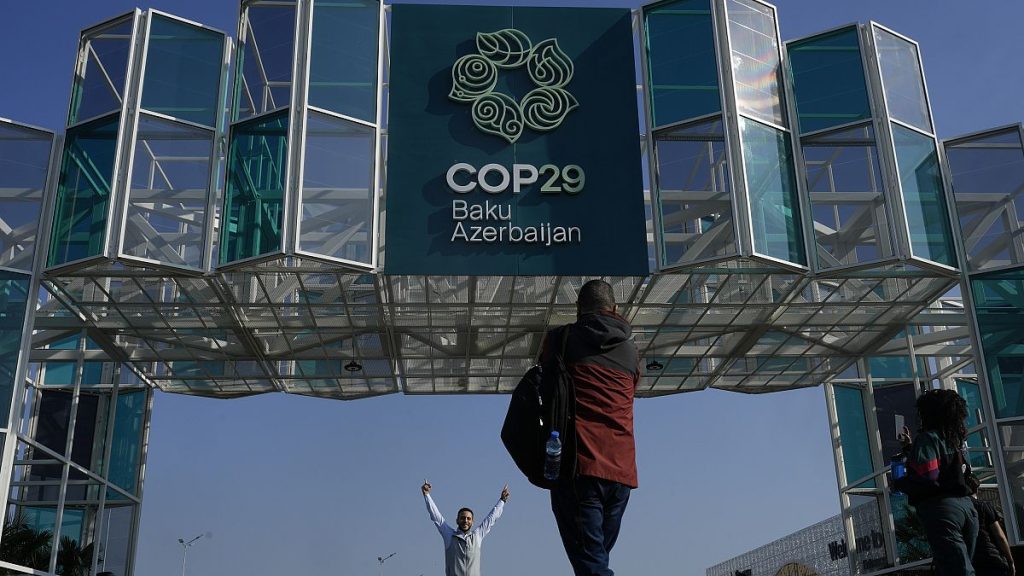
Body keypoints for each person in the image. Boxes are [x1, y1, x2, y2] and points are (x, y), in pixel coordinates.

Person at [542, 279, 639, 576]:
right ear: (616, 309)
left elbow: (544, 385)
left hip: (580, 468)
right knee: (594, 561)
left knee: (593, 566)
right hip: (622, 475)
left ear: (577, 308)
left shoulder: (561, 339)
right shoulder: (631, 351)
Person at [893, 389, 978, 576]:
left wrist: (900, 483)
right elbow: (961, 473)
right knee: (961, 567)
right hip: (967, 509)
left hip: (942, 510)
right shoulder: (954, 439)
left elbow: (928, 476)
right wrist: (909, 448)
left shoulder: (927, 439)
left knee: (956, 570)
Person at [421, 480, 509, 576]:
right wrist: (427, 495)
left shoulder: (477, 536)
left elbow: (491, 519)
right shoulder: (449, 536)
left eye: (468, 518)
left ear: (472, 521)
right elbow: (436, 516)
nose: (465, 521)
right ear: (457, 520)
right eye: (462, 518)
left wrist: (502, 501)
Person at [965, 475, 1015, 576]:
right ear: (977, 489)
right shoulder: (984, 506)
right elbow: (1000, 537)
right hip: (992, 558)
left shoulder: (960, 510)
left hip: (973, 561)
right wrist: (1010, 561)